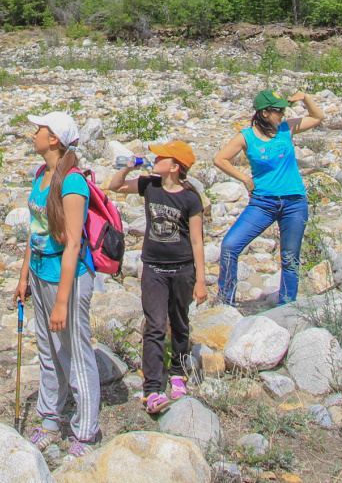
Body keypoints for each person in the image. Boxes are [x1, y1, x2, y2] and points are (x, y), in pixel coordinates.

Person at [13, 110, 102, 458]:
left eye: (39, 129)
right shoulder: (42, 175)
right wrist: (23, 277)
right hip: (40, 272)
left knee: (75, 352)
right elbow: (35, 232)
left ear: (54, 140)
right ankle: (50, 419)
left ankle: (86, 431)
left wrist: (63, 301)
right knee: (49, 350)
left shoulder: (73, 181)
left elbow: (73, 244)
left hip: (69, 277)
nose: (33, 134)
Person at [106, 139, 206, 415]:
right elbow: (114, 187)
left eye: (161, 157)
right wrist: (127, 168)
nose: (155, 160)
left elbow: (197, 241)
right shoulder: (149, 184)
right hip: (153, 268)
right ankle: (151, 389)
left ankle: (177, 373)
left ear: (174, 167)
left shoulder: (190, 197)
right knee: (155, 325)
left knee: (180, 322)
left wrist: (200, 280)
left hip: (183, 268)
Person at [212, 89, 325, 306]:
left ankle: (287, 306)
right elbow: (220, 159)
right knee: (230, 245)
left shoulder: (286, 128)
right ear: (265, 113)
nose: (282, 113)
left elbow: (318, 117)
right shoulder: (246, 136)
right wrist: (244, 178)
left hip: (294, 203)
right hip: (264, 203)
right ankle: (225, 301)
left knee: (290, 258)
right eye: (278, 110)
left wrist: (306, 98)